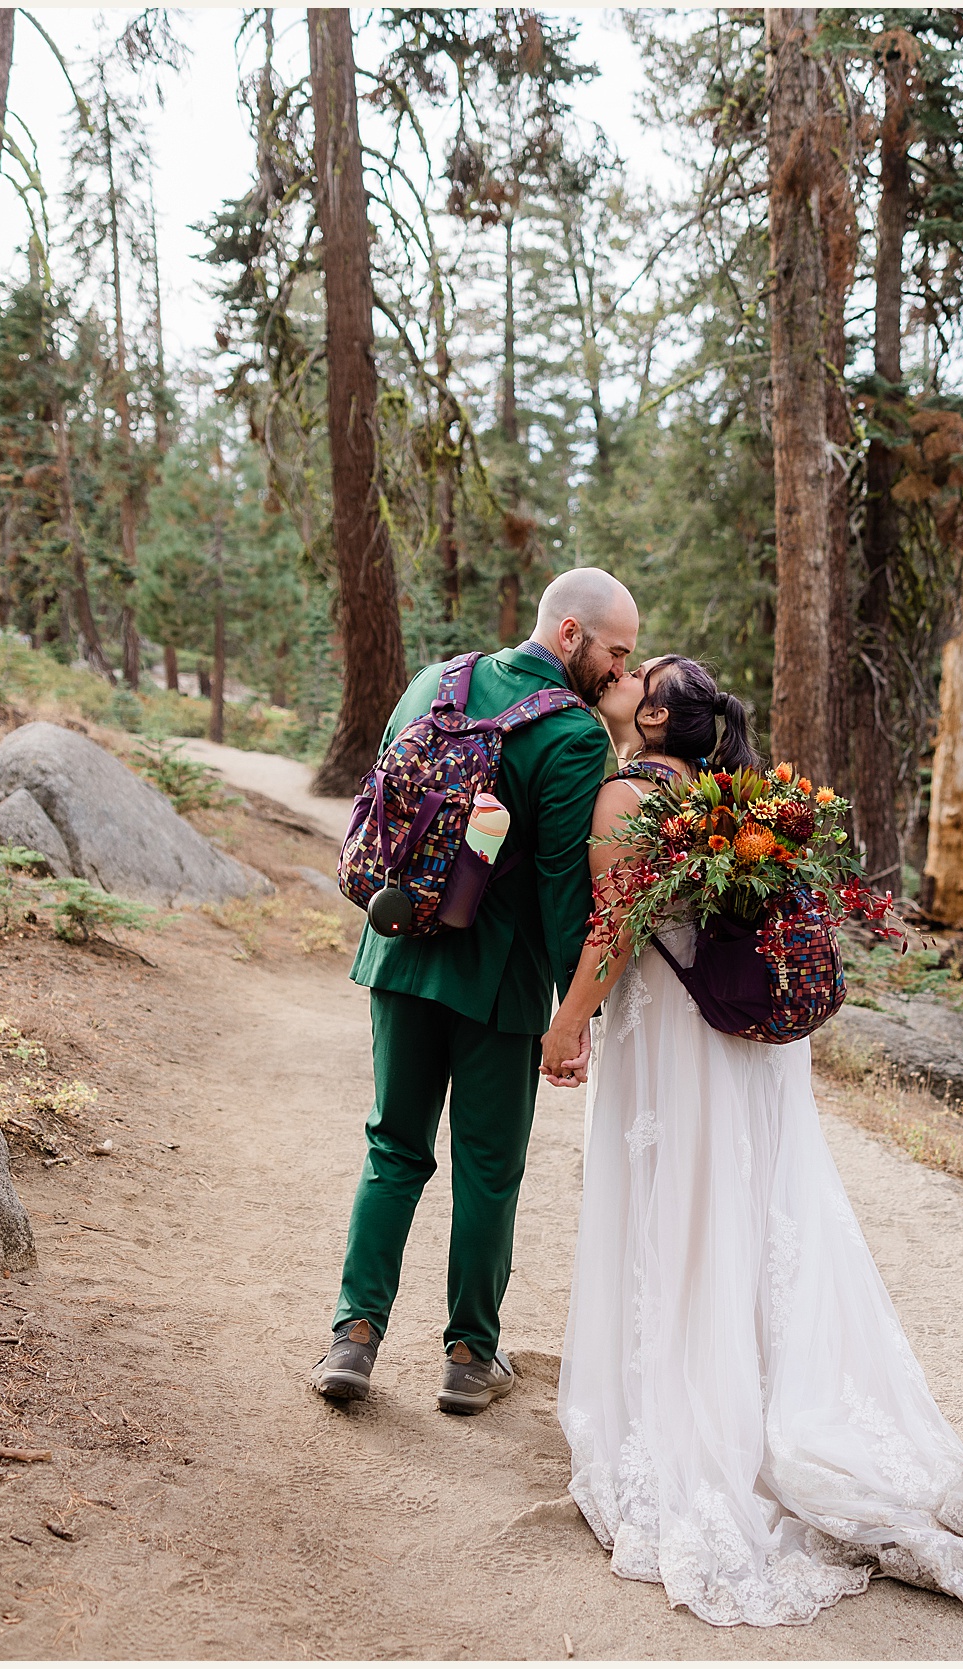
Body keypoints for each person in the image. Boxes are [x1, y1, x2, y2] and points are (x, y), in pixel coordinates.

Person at [539, 654, 963, 1626]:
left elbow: (616, 925)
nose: (622, 672)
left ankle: (701, 1417)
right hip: (744, 1049)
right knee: (741, 1212)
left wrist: (568, 1021)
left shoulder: (629, 797)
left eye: (637, 674)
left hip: (675, 1038)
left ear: (652, 717)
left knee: (680, 1213)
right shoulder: (730, 795)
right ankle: (760, 1387)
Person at [311, 569, 637, 1415]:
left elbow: (382, 803)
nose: (617, 671)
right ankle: (468, 1356)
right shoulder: (573, 735)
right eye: (615, 652)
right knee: (488, 1171)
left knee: (393, 1148)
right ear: (570, 634)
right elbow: (568, 889)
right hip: (498, 984)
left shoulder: (436, 681)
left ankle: (353, 1337)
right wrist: (580, 1009)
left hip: (398, 954)